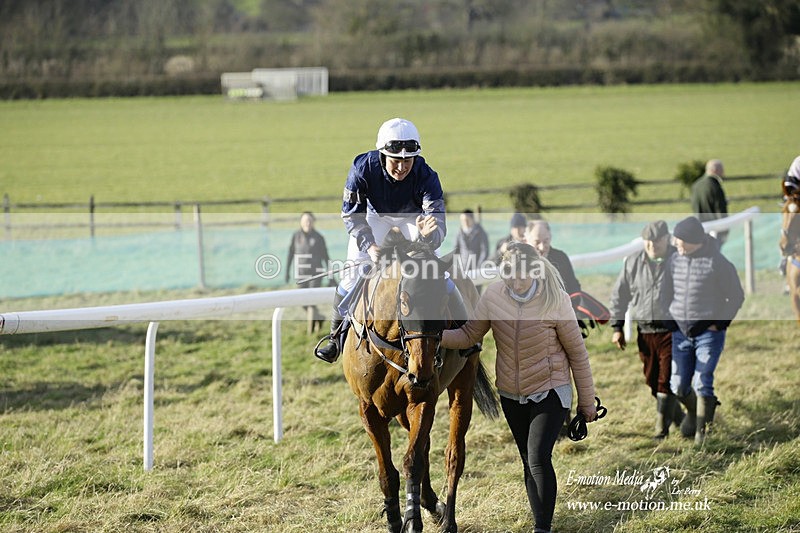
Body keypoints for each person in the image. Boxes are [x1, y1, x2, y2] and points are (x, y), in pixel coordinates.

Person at [441, 243, 598, 533]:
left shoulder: (556, 300)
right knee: (528, 460)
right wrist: (432, 337)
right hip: (512, 394)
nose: (514, 281)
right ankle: (541, 521)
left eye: (520, 274)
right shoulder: (493, 295)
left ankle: (542, 527)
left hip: (551, 389)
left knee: (539, 457)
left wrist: (587, 402)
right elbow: (469, 335)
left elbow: (578, 353)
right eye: (508, 274)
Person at [315, 117, 475, 363]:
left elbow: (437, 221)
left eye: (407, 161)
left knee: (436, 272)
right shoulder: (362, 168)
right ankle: (336, 337)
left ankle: (465, 332)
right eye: (395, 161)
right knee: (351, 274)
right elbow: (351, 215)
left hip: (413, 217)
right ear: (382, 155)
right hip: (373, 216)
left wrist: (428, 235)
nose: (401, 167)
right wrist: (370, 245)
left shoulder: (427, 175)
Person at [662, 216, 745, 445]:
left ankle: (702, 434)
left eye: (681, 240)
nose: (676, 244)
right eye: (676, 239)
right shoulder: (673, 260)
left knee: (702, 381)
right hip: (680, 333)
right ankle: (697, 412)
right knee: (677, 385)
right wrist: (668, 320)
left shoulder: (718, 262)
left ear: (695, 240)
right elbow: (664, 294)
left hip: (709, 334)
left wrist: (719, 323)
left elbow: (736, 296)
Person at [608, 220, 684, 439]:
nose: (652, 246)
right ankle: (680, 418)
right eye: (648, 242)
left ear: (666, 239)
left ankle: (661, 431)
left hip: (672, 331)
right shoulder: (633, 263)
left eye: (656, 241)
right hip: (645, 331)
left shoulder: (678, 260)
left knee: (665, 379)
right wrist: (617, 327)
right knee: (652, 381)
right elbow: (619, 296)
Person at [285, 211, 330, 329]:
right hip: (301, 274)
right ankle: (319, 317)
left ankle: (310, 331)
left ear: (313, 222)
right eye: (305, 221)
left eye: (310, 221)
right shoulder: (296, 236)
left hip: (316, 275)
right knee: (301, 301)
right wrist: (287, 272)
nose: (307, 223)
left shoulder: (319, 237)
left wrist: (331, 276)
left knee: (311, 302)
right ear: (301, 222)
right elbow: (290, 254)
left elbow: (326, 257)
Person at [525, 220, 581, 295]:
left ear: (550, 237)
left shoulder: (561, 258)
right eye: (537, 242)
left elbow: (574, 288)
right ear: (526, 240)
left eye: (546, 241)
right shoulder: (519, 261)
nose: (542, 247)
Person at [691, 159, 729, 245]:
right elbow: (720, 210)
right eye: (721, 171)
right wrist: (724, 229)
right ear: (715, 170)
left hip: (700, 228)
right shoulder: (715, 186)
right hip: (714, 229)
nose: (723, 174)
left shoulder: (696, 185)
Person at [452, 209, 490, 275]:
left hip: (476, 269)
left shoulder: (480, 232)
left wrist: (479, 267)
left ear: (472, 219)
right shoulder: (459, 233)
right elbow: (455, 250)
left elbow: (484, 251)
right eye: (463, 220)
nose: (465, 222)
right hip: (463, 269)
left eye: (467, 220)